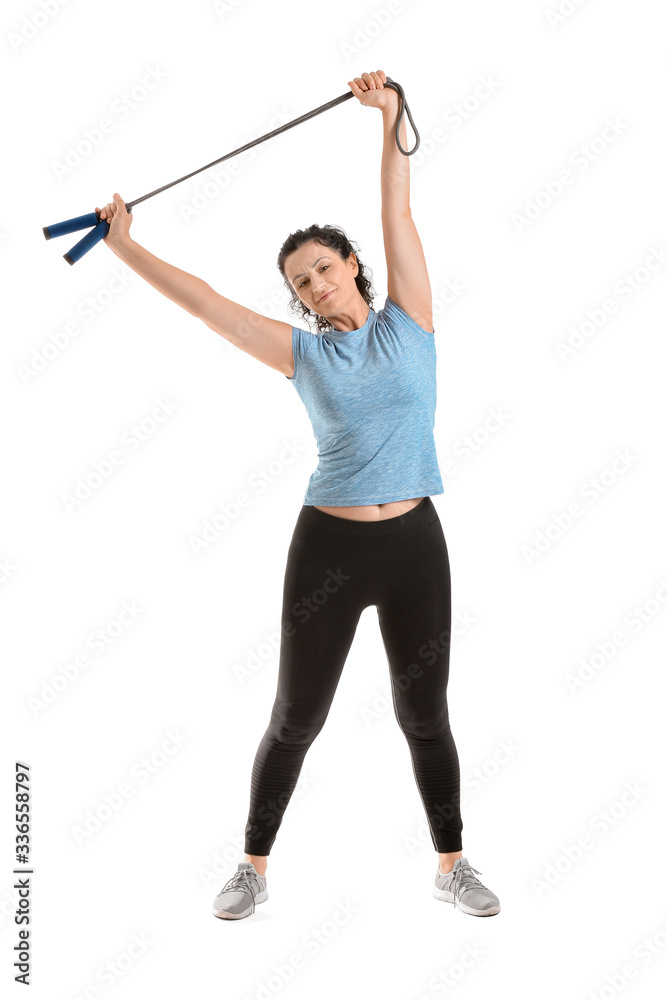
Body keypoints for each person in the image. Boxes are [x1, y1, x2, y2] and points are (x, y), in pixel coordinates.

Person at [95, 70, 500, 921]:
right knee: (295, 718)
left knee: (424, 714)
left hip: (415, 542)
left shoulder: (412, 321)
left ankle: (451, 863)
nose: (316, 286)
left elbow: (399, 210)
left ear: (353, 265)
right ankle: (252, 867)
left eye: (325, 268)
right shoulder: (302, 355)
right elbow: (204, 304)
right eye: (302, 282)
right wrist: (124, 244)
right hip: (331, 548)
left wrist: (387, 117)